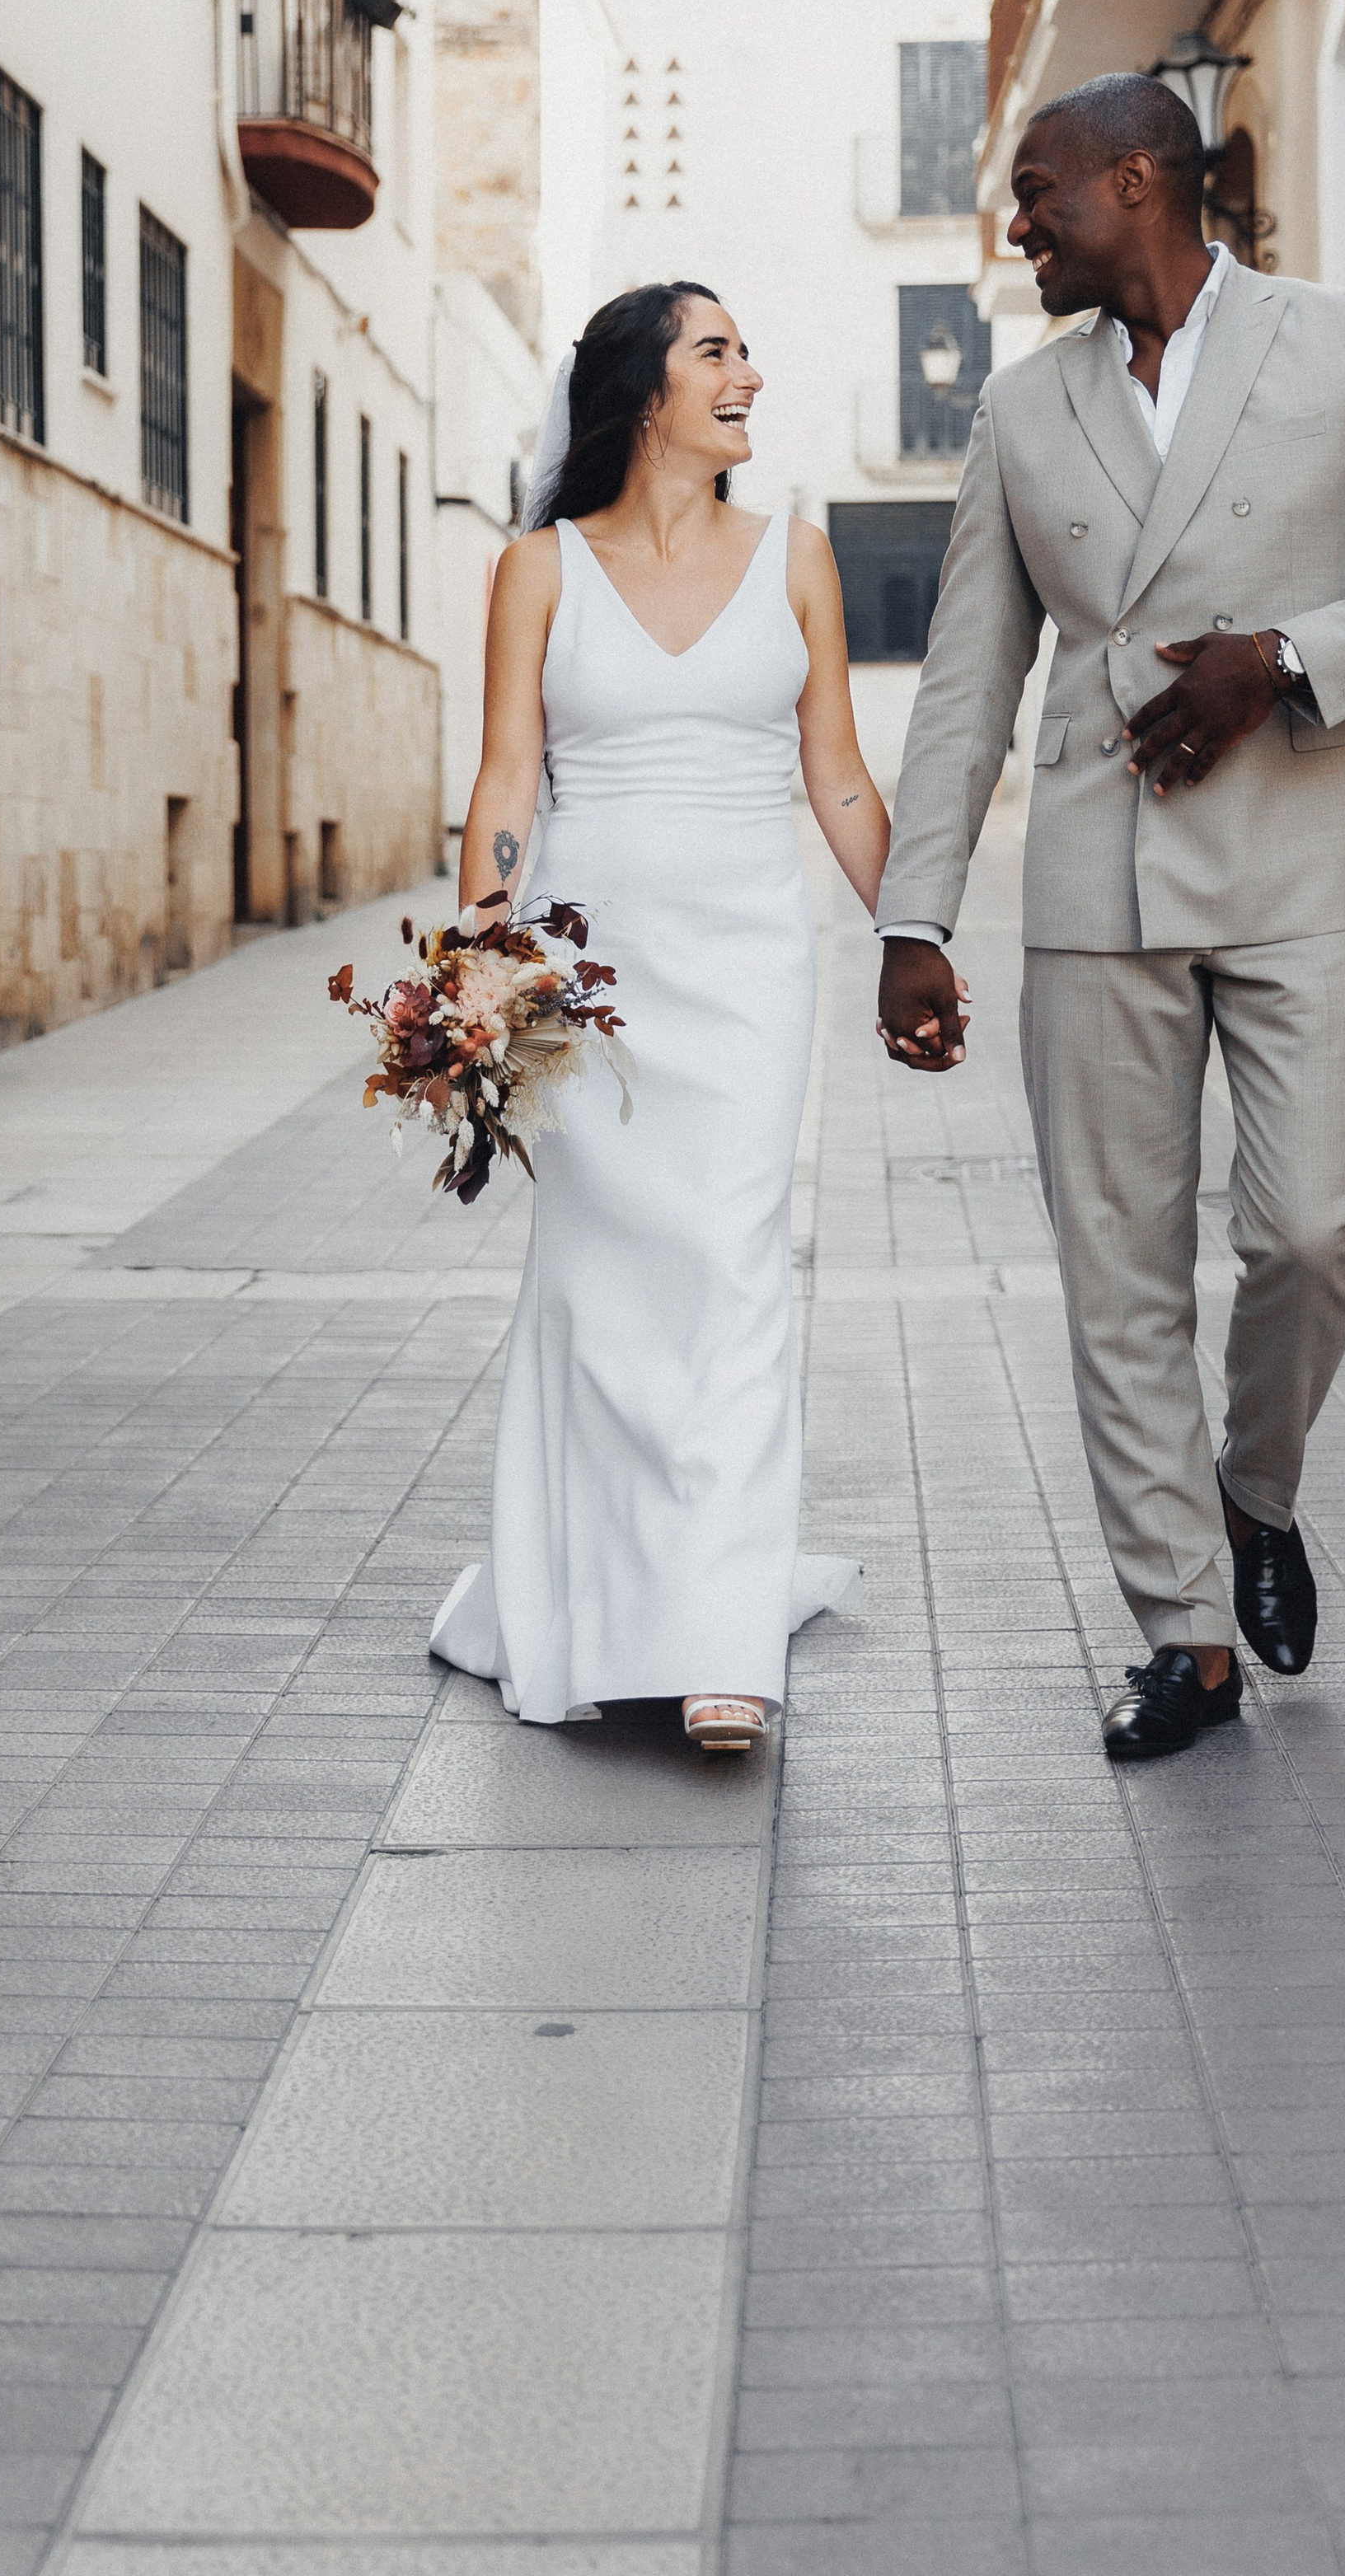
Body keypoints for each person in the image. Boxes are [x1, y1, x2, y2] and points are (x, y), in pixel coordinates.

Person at [876, 77, 1345, 1761]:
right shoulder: (1021, 411)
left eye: (1038, 195)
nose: (1017, 228)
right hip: (1096, 877)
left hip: (1302, 852)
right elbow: (967, 677)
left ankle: (1253, 1489)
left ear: (1136, 180)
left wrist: (1284, 657)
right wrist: (912, 917)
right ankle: (1181, 1632)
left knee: (1310, 1228)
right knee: (1116, 1271)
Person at [429, 282, 879, 1750]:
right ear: (645, 395)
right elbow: (507, 784)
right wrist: (476, 983)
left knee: (738, 1270)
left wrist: (916, 936)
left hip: (751, 970)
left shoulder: (797, 557)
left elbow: (841, 781)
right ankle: (601, 1592)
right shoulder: (539, 570)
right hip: (589, 983)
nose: (752, 372)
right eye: (719, 353)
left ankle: (719, 1634)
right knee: (603, 1287)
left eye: (745, 349)